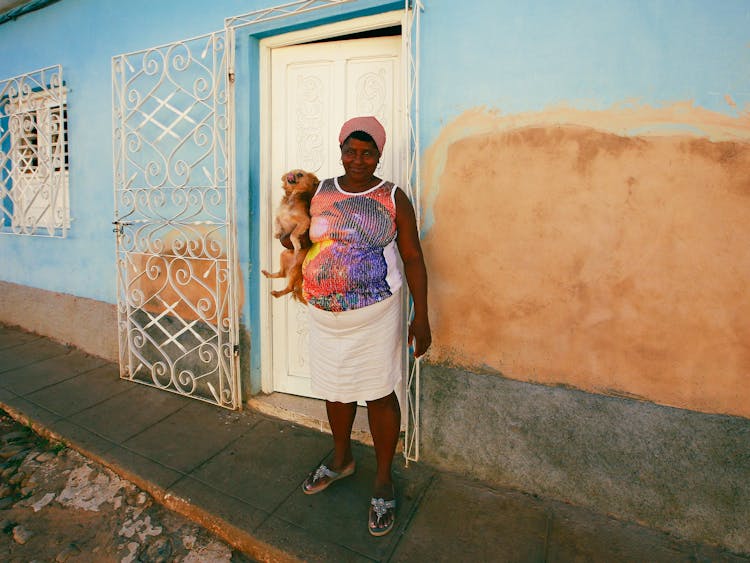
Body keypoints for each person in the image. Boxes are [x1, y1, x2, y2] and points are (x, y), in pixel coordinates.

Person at [299, 116, 431, 537]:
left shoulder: (394, 197)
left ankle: (383, 478)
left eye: (367, 152)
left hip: (375, 314)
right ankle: (342, 459)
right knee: (335, 388)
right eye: (350, 151)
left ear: (379, 155)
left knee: (377, 391)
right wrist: (292, 243)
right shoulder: (319, 191)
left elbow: (412, 257)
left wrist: (421, 314)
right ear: (340, 150)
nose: (358, 160)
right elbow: (302, 238)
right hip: (325, 315)